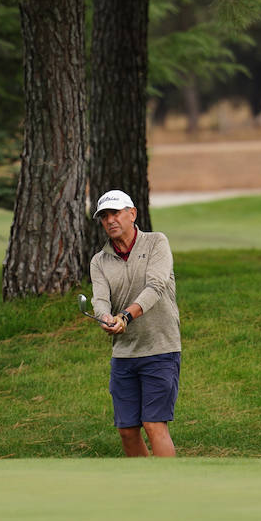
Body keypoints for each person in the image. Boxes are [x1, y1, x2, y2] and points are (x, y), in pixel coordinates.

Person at [88, 189, 181, 457]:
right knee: (127, 430)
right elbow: (100, 299)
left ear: (132, 214)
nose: (110, 220)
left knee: (154, 424)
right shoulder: (99, 261)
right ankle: (144, 482)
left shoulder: (156, 243)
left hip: (160, 349)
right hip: (124, 353)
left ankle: (171, 481)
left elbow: (156, 286)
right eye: (104, 216)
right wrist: (105, 318)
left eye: (116, 213)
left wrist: (125, 316)